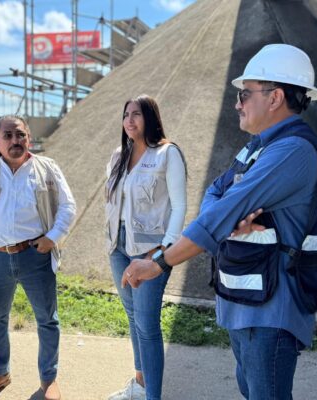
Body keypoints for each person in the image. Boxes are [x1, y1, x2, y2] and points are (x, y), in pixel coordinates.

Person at [123, 44, 317, 400]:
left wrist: (159, 262)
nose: (237, 103)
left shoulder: (292, 150)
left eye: (245, 94)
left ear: (275, 97)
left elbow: (222, 212)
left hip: (272, 308)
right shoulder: (258, 146)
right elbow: (215, 194)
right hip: (247, 300)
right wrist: (231, 213)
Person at [0, 115, 76, 400]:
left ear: (29, 138)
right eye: (7, 135)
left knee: (47, 320)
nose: (15, 141)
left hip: (35, 257)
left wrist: (53, 237)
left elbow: (68, 206)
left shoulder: (46, 168)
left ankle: (48, 380)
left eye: (20, 135)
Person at [104, 95, 187, 400]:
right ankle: (140, 384)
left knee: (147, 324)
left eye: (136, 114)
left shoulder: (167, 153)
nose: (129, 120)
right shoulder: (118, 156)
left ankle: (153, 396)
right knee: (132, 315)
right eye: (126, 114)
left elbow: (179, 206)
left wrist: (163, 249)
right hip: (118, 245)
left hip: (150, 249)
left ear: (150, 117)